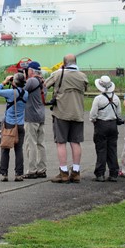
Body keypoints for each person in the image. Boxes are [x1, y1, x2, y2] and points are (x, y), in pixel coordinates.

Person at [44, 54, 88, 183]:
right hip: (78, 113)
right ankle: (76, 171)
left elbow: (45, 85)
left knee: (61, 142)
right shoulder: (83, 76)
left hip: (61, 113)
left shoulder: (58, 74)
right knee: (75, 142)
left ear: (64, 63)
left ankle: (63, 172)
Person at [0, 73, 29, 182]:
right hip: (20, 124)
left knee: (5, 148)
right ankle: (19, 174)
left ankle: (4, 173)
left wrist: (4, 82)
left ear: (14, 82)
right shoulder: (26, 93)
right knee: (19, 150)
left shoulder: (11, 93)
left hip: (9, 124)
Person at [89, 75, 122, 182]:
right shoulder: (116, 98)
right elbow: (119, 114)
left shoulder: (98, 99)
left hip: (101, 124)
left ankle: (100, 173)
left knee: (101, 149)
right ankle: (114, 173)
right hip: (113, 125)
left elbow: (93, 115)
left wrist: (94, 121)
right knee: (112, 149)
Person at [22, 61, 48, 179]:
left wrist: (22, 78)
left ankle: (32, 170)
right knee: (40, 143)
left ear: (31, 71)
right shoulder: (43, 82)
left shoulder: (31, 80)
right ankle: (42, 169)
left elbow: (21, 91)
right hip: (41, 115)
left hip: (31, 116)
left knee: (30, 143)